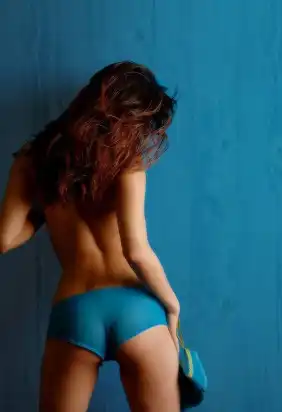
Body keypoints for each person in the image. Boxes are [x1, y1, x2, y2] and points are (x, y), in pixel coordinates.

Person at [0, 61, 181, 411]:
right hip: (136, 310)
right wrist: (172, 305)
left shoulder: (33, 159)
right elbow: (136, 251)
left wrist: (46, 209)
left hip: (76, 309)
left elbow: (5, 239)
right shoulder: (127, 164)